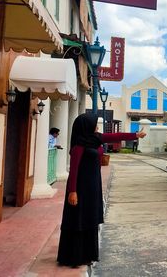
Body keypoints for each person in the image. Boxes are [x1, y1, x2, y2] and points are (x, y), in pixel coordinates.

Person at [57, 113, 146, 267]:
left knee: (90, 219)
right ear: (86, 126)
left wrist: (135, 135)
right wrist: (72, 191)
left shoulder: (95, 138)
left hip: (93, 187)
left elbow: (115, 136)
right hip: (80, 188)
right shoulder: (79, 146)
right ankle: (75, 257)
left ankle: (88, 255)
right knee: (79, 220)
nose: (96, 127)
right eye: (94, 124)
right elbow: (74, 171)